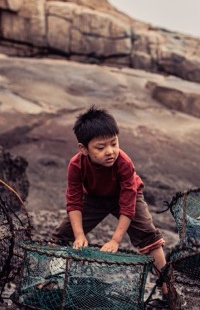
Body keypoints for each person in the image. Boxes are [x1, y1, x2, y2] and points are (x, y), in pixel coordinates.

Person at [52, 106, 166, 275]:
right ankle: (51, 280)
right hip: (94, 197)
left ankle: (167, 290)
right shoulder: (76, 165)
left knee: (149, 236)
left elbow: (128, 206)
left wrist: (115, 240)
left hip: (126, 196)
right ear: (83, 149)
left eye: (114, 143)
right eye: (100, 147)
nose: (110, 151)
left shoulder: (124, 163)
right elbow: (74, 202)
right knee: (62, 236)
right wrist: (79, 235)